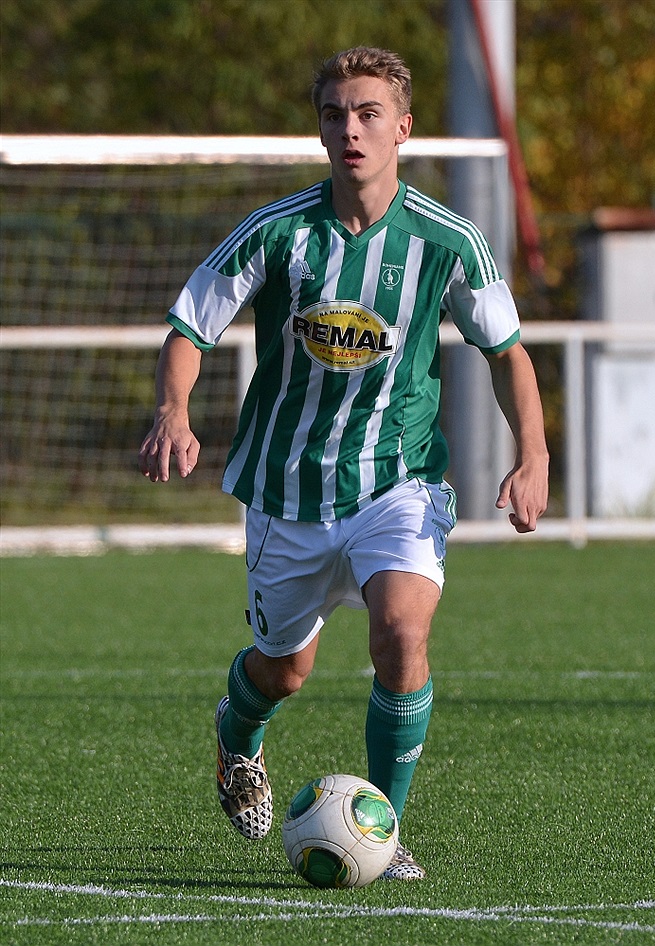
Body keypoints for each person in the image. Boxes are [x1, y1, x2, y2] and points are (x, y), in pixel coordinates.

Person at [138, 46, 549, 880]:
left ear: (403, 128)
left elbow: (508, 352)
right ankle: (236, 732)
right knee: (285, 671)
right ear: (320, 127)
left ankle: (384, 828)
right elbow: (190, 328)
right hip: (287, 491)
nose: (350, 129)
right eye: (334, 114)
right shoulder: (278, 230)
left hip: (398, 481)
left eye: (367, 114)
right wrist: (172, 411)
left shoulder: (449, 239)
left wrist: (533, 453)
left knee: (402, 631)